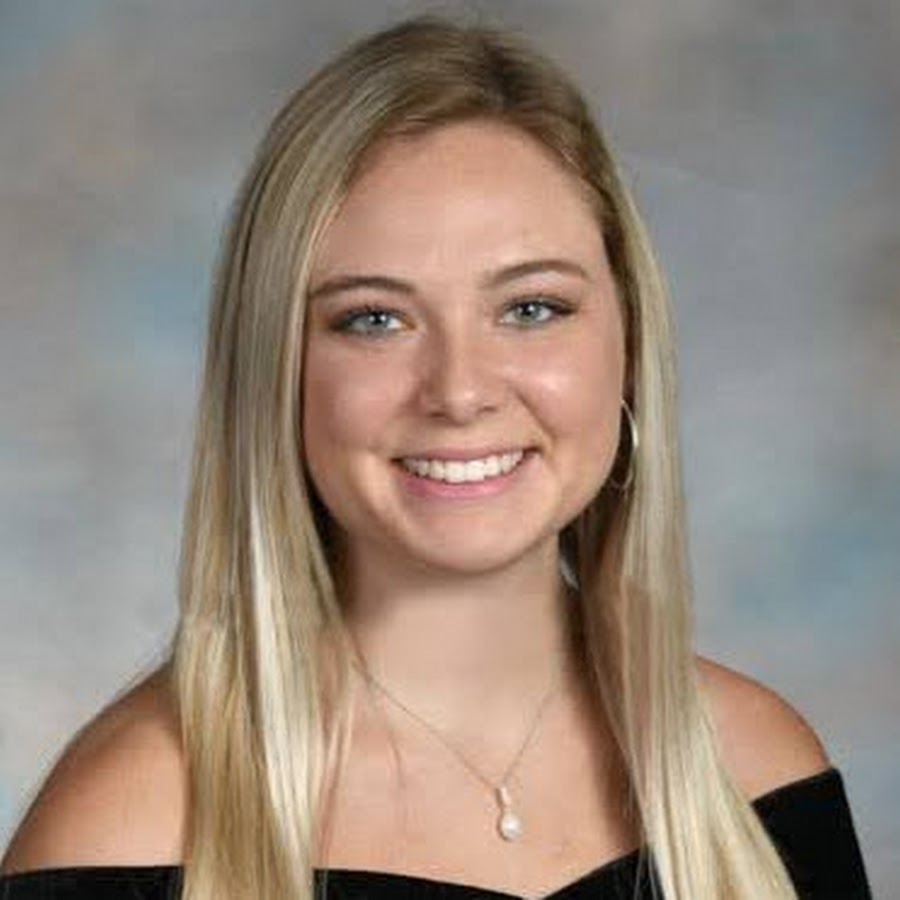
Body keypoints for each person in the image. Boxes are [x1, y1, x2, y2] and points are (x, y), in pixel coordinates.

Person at [0, 15, 870, 900]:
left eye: (531, 308)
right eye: (374, 319)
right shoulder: (129, 831)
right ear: (275, 372)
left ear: (630, 340)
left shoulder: (755, 769)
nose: (460, 391)